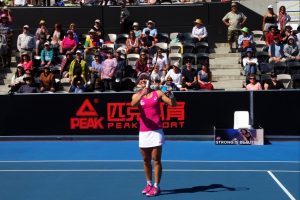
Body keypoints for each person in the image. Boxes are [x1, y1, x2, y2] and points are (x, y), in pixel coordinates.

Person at [130, 74, 176, 197]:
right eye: (141, 79)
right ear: (139, 83)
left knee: (156, 159)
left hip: (156, 132)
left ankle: (156, 185)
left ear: (149, 81)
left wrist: (170, 94)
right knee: (146, 160)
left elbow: (173, 104)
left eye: (145, 78)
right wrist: (142, 93)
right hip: (144, 132)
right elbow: (133, 104)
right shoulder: (136, 95)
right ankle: (148, 183)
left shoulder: (158, 93)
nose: (143, 80)